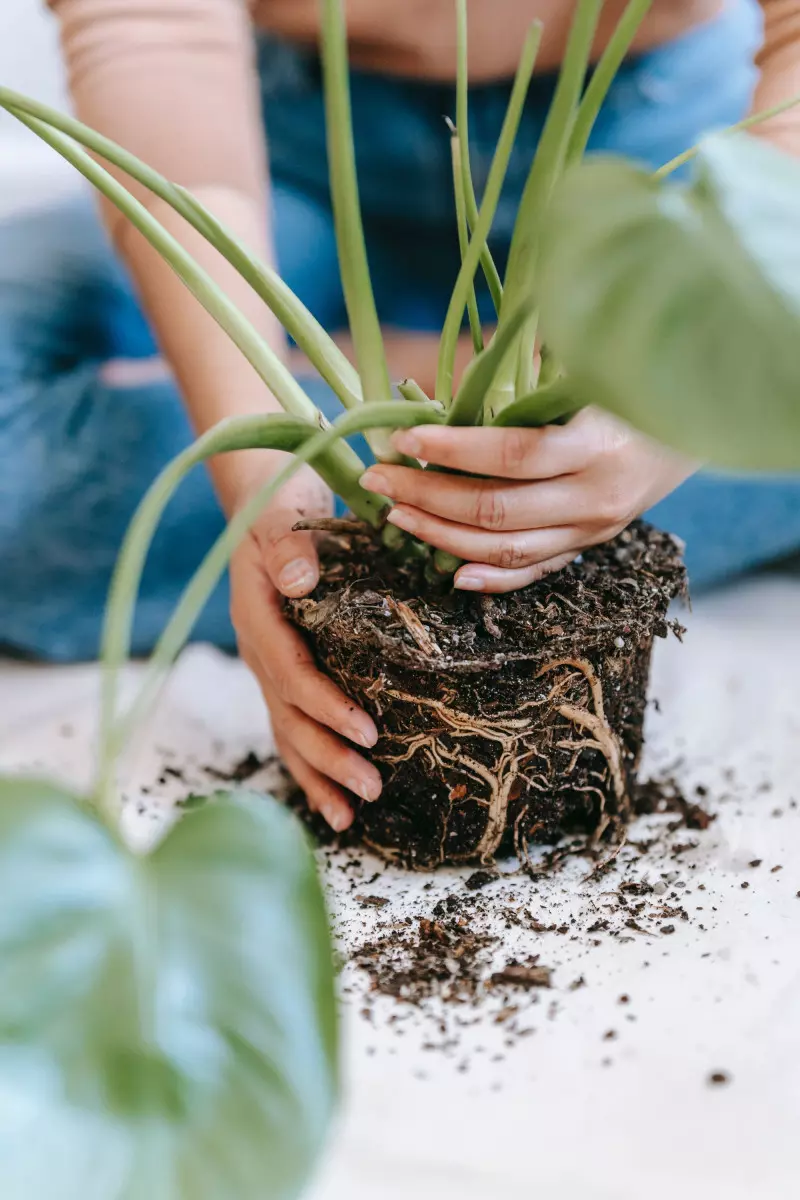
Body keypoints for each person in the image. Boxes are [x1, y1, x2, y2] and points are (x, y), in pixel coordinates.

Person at [2, 0, 800, 831]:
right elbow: (151, 25)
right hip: (292, 160)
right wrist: (254, 476)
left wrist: (684, 390)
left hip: (658, 142)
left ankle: (391, 384)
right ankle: (481, 382)